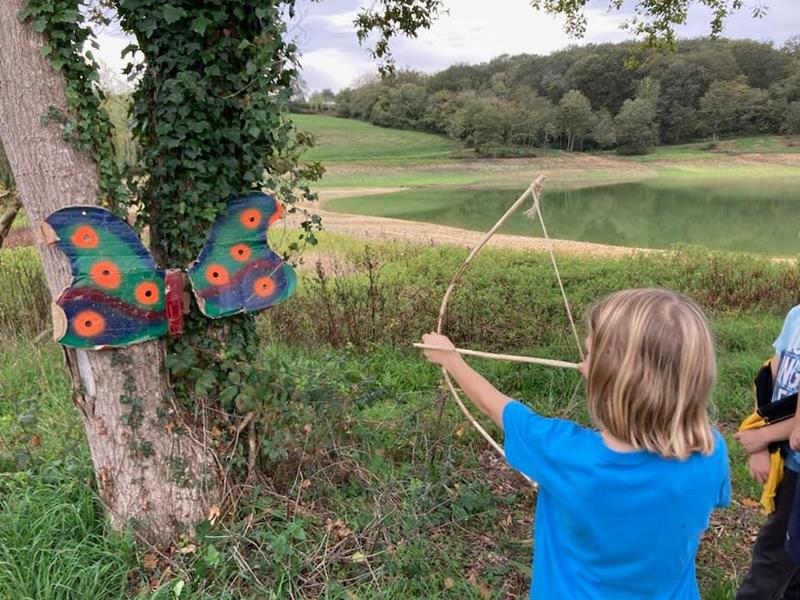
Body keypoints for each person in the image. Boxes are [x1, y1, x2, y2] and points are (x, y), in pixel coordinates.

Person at [420, 288, 730, 599]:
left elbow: (496, 407)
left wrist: (452, 360)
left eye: (590, 354)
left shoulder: (568, 455)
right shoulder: (711, 451)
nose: (584, 362)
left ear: (611, 377)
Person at [735, 303, 800, 599]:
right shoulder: (796, 316)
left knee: (775, 560)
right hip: (789, 460)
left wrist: (763, 436)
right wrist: (761, 442)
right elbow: (768, 382)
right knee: (777, 550)